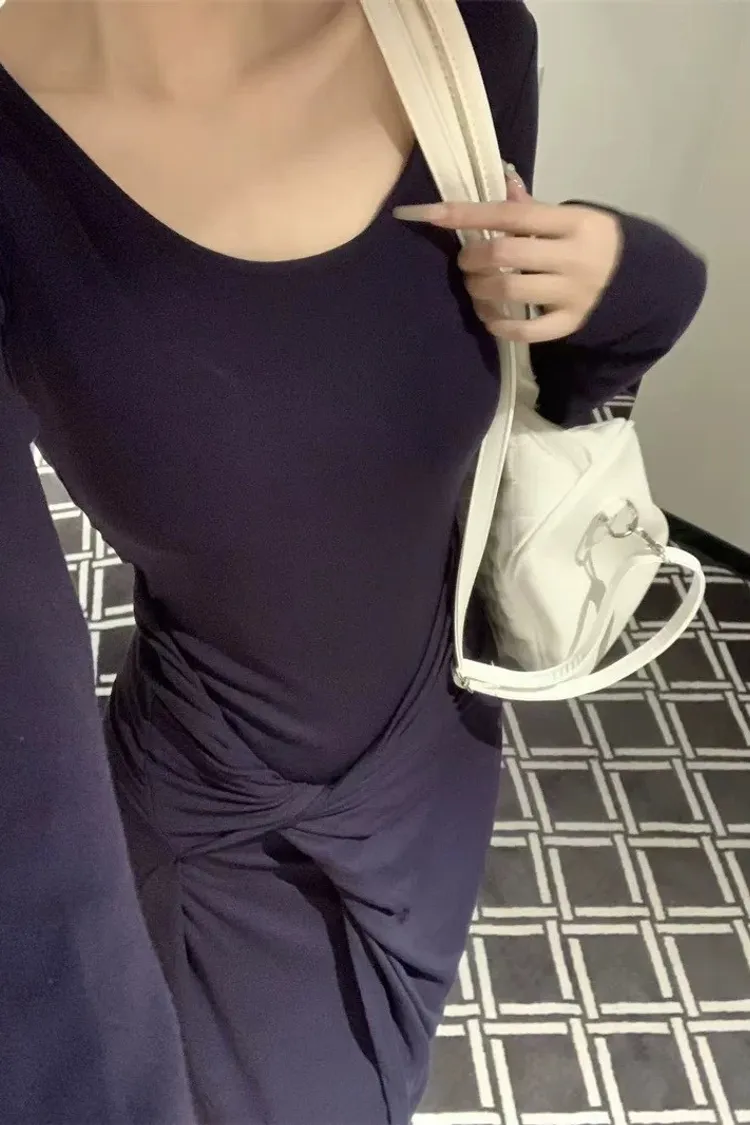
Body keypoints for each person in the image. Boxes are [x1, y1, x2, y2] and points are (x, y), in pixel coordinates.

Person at [0, 1, 707, 1122]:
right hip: (228, 842)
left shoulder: (460, 40)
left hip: (446, 748)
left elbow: (546, 389)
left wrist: (632, 281)